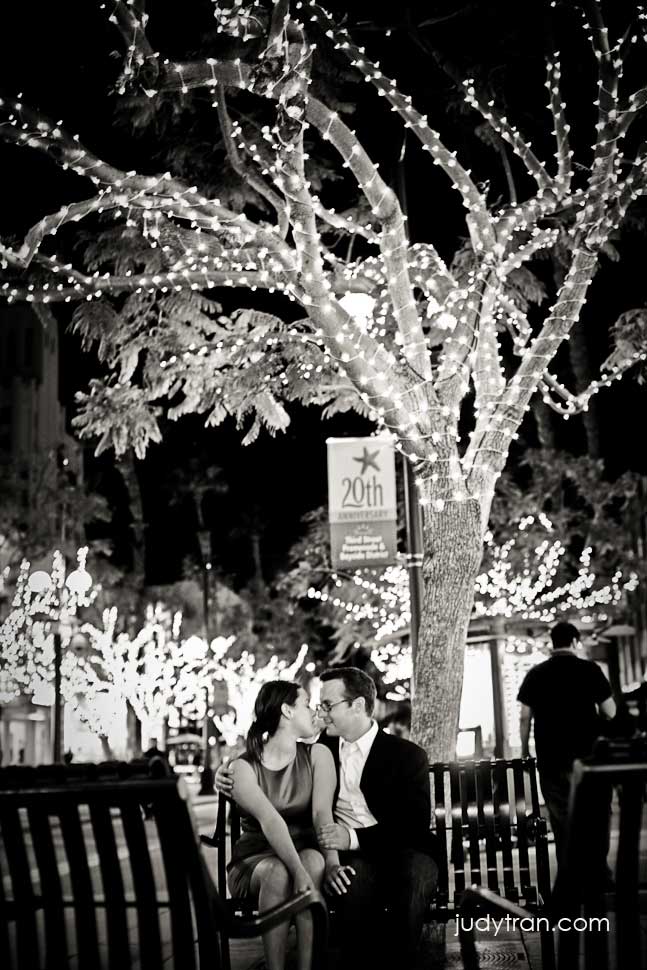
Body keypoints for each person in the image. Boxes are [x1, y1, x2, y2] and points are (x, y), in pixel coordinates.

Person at [217, 668, 438, 970]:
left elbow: (413, 826)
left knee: (414, 877)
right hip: (342, 856)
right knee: (346, 884)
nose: (320, 712)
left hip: (402, 849)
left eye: (327, 705)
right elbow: (271, 763)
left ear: (357, 706)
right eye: (315, 705)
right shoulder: (322, 748)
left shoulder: (407, 755)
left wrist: (350, 839)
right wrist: (225, 774)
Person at [226, 680, 342, 970]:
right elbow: (269, 819)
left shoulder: (318, 756)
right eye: (306, 704)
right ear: (287, 711)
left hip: (305, 853)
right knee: (279, 873)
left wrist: (332, 864)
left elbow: (321, 816)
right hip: (255, 862)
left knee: (314, 860)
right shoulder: (243, 767)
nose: (314, 711)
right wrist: (298, 871)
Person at [518, 621, 616, 890]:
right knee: (596, 813)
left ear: (553, 641)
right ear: (574, 642)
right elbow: (610, 712)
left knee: (561, 819)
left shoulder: (536, 674)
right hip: (590, 759)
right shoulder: (590, 670)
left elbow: (525, 717)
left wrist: (526, 748)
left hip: (551, 759)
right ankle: (599, 872)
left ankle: (570, 875)